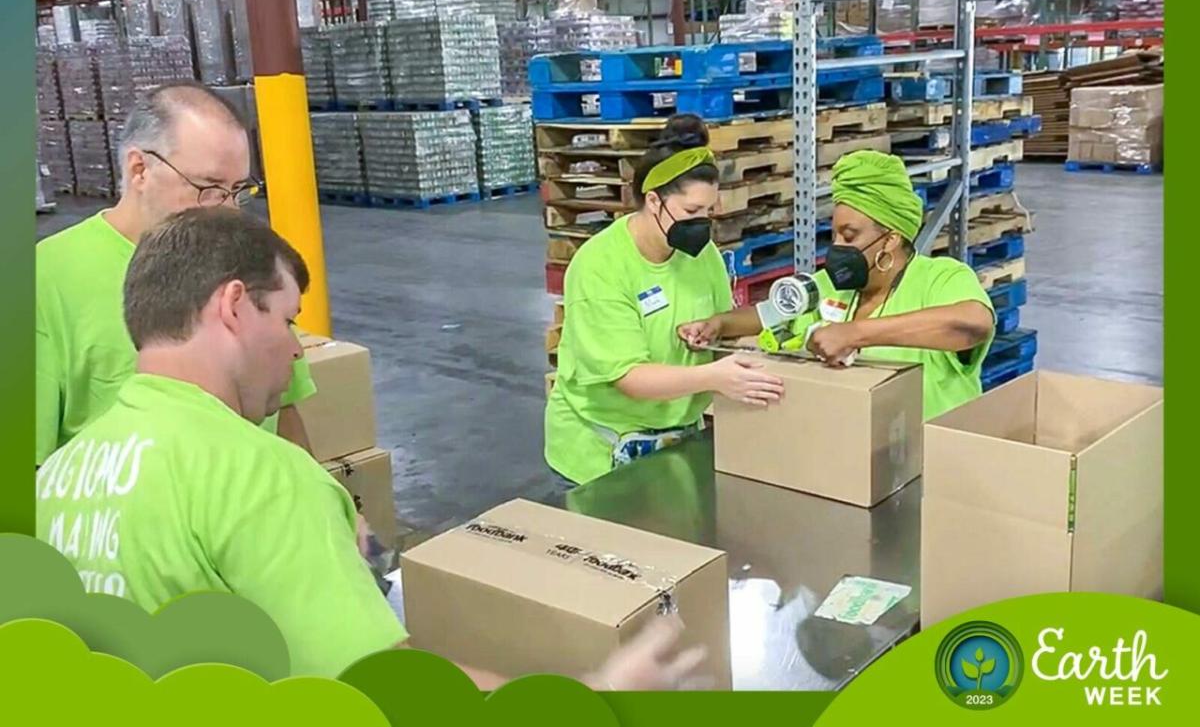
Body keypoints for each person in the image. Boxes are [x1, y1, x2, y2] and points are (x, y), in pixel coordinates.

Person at [35, 208, 706, 689]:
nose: (297, 347)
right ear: (235, 307)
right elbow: (389, 692)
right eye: (288, 317)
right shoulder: (257, 474)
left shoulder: (59, 474)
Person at [35, 81, 316, 465]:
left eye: (238, 190)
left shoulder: (245, 257)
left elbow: (285, 412)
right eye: (211, 188)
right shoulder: (45, 280)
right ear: (139, 170)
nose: (228, 210)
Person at [545, 115, 785, 487]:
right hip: (601, 454)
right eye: (691, 212)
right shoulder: (601, 267)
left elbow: (721, 319)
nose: (703, 223)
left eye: (709, 211)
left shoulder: (699, 254)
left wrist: (713, 330)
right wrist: (714, 377)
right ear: (654, 201)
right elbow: (628, 377)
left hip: (673, 441)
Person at [678, 149, 996, 421]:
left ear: (891, 238)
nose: (837, 246)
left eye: (850, 235)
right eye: (833, 235)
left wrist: (855, 334)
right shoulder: (835, 286)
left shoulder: (941, 278)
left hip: (933, 459)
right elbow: (767, 314)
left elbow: (972, 325)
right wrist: (718, 323)